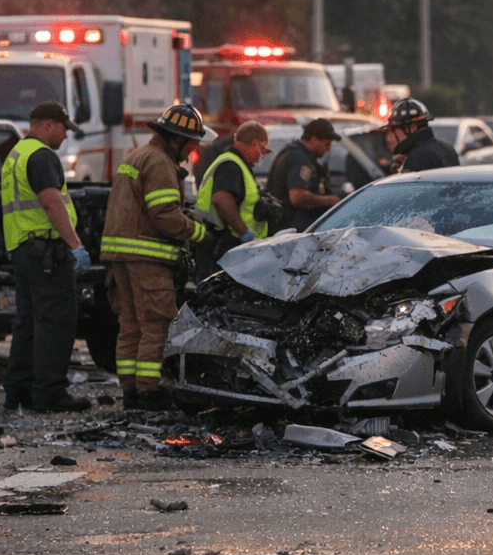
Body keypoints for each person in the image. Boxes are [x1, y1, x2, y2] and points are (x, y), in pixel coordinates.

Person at [101, 103, 210, 411]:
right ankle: (149, 391)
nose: (191, 151)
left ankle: (131, 392)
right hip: (146, 257)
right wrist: (199, 232)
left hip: (120, 256)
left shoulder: (137, 156)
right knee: (155, 324)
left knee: (130, 323)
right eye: (191, 144)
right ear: (176, 139)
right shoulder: (160, 162)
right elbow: (165, 216)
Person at [0, 101, 93, 413]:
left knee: (28, 322)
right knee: (57, 321)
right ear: (49, 125)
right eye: (64, 128)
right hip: (47, 252)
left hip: (25, 249)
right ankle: (50, 393)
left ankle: (19, 391)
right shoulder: (41, 156)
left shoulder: (16, 155)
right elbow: (52, 203)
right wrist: (75, 245)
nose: (66, 136)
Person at [194, 120, 270, 274]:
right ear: (254, 143)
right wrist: (244, 233)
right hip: (223, 246)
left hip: (222, 245)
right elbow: (221, 199)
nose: (261, 155)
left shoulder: (234, 163)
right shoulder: (231, 166)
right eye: (262, 148)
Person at [266, 118, 342, 231]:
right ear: (314, 140)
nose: (328, 149)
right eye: (326, 144)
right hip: (289, 228)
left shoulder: (294, 153)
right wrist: (330, 200)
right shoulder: (300, 159)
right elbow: (297, 197)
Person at [379, 97, 458, 173]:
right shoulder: (448, 149)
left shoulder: (417, 158)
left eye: (395, 129)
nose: (391, 137)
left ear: (412, 127)